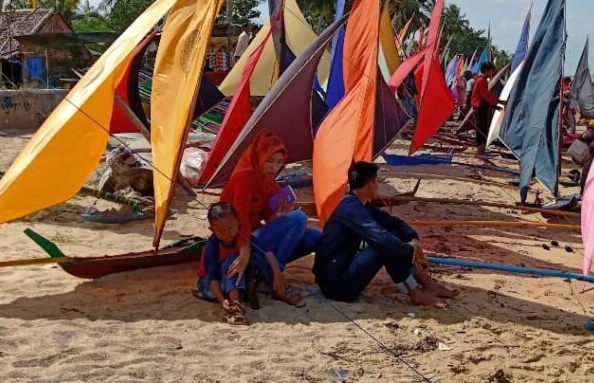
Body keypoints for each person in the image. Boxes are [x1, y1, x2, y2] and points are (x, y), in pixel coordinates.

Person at [313, 161, 459, 306]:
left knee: (393, 234)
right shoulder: (350, 208)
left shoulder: (362, 205)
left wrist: (413, 239)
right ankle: (416, 294)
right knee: (385, 245)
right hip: (335, 285)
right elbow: (382, 239)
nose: (378, 185)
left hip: (343, 269)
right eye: (377, 181)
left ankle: (426, 283)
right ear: (370, 184)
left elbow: (393, 222)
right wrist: (411, 252)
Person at [220, 132, 320, 307]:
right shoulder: (245, 176)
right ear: (260, 156)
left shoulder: (269, 181)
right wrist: (243, 249)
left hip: (258, 237)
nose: (273, 167)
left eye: (279, 163)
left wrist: (280, 214)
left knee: (313, 236)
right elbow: (240, 217)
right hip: (240, 238)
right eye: (270, 161)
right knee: (299, 218)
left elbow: (269, 219)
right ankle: (276, 279)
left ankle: (270, 275)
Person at [195, 202, 280, 326]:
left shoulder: (242, 237)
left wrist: (277, 273)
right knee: (234, 259)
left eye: (230, 228)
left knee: (255, 256)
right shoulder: (212, 245)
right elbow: (212, 277)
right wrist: (223, 300)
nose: (227, 233)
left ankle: (276, 288)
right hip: (211, 285)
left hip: (231, 282)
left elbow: (265, 251)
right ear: (212, 230)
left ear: (237, 223)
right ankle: (235, 306)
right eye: (221, 231)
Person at [470, 62, 502, 152]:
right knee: (480, 128)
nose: (492, 72)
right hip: (479, 107)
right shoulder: (481, 80)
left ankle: (482, 149)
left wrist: (497, 101)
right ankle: (480, 150)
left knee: (483, 128)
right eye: (491, 70)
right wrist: (496, 103)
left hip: (482, 106)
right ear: (486, 70)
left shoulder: (483, 80)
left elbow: (487, 94)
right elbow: (485, 95)